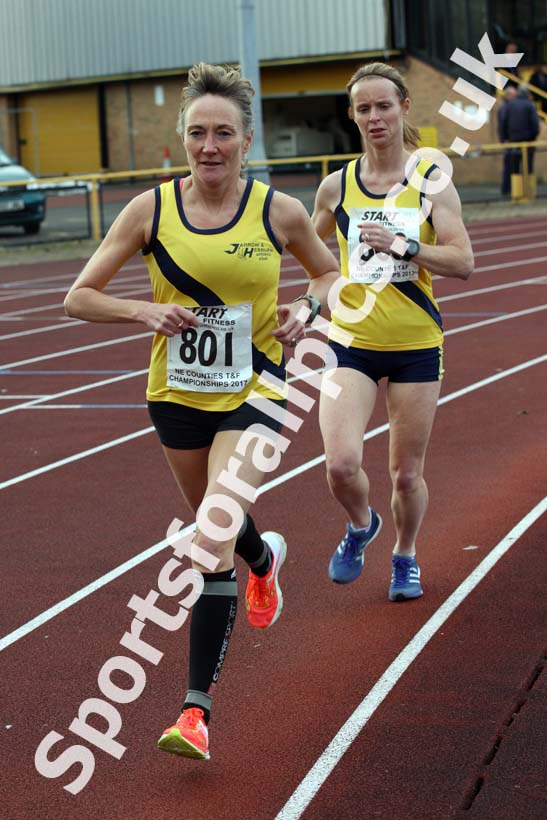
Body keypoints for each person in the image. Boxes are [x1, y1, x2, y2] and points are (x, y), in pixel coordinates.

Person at [64, 62, 339, 761]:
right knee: (219, 523)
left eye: (222, 133)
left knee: (207, 537)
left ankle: (194, 714)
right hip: (176, 396)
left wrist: (308, 307)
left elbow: (328, 272)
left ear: (246, 140)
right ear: (181, 139)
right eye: (196, 133)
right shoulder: (148, 210)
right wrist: (140, 308)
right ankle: (263, 560)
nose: (209, 145)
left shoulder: (276, 210)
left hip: (256, 391)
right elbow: (78, 296)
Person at [312, 62, 473, 602]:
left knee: (406, 474)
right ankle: (362, 527)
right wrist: (304, 305)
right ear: (352, 116)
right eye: (363, 108)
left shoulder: (430, 184)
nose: (374, 116)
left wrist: (405, 247)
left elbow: (463, 261)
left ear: (404, 108)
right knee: (340, 465)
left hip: (414, 347)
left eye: (384, 105)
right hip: (351, 344)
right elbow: (316, 264)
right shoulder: (335, 188)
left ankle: (404, 555)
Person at [499, 84, 540, 176]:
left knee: (515, 167)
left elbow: (504, 123)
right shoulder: (530, 105)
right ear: (528, 94)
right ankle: (529, 189)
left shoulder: (509, 105)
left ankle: (516, 189)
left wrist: (504, 138)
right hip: (528, 141)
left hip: (513, 141)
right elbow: (535, 125)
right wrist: (533, 137)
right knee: (528, 166)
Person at [497, 85, 518, 195]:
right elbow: (503, 125)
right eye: (514, 95)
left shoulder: (505, 106)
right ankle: (506, 189)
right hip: (508, 140)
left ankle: (508, 188)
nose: (516, 97)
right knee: (509, 164)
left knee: (510, 164)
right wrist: (504, 139)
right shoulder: (505, 107)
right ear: (509, 95)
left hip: (507, 140)